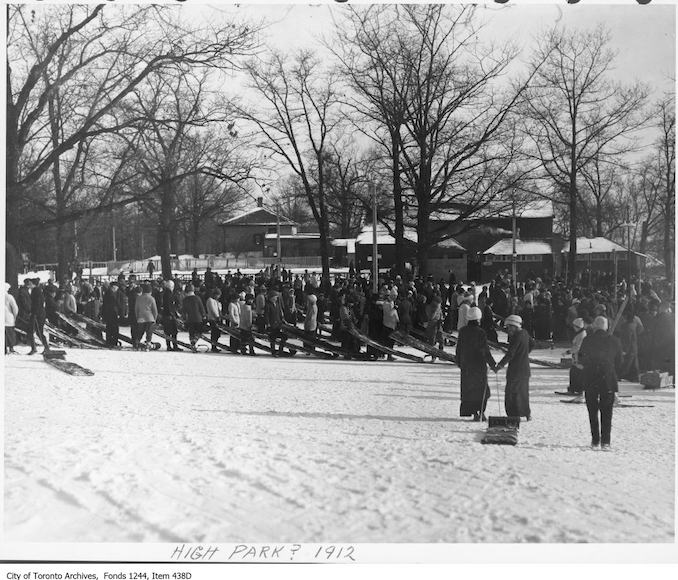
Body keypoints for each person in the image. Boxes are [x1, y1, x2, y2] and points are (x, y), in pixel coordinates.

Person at [579, 316, 623, 449]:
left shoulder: (587, 340)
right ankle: (606, 441)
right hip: (608, 378)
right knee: (607, 411)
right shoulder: (615, 341)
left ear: (595, 326)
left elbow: (581, 358)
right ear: (607, 327)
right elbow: (620, 361)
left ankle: (595, 440)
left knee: (592, 411)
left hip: (590, 378)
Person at [456, 307, 495, 421]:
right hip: (479, 366)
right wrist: (493, 364)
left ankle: (474, 413)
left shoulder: (462, 331)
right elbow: (485, 350)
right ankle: (481, 412)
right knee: (482, 391)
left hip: (467, 366)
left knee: (469, 391)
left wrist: (459, 362)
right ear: (478, 319)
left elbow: (459, 349)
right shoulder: (480, 332)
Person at [494, 314, 533, 420]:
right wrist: (524, 353)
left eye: (509, 327)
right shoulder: (525, 333)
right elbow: (532, 344)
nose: (508, 329)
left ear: (514, 326)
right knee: (523, 392)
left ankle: (513, 415)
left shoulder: (516, 337)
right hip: (525, 369)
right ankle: (526, 413)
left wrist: (500, 365)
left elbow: (510, 353)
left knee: (512, 393)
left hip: (516, 370)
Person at [182, 283, 205, 351]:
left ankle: (193, 344)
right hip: (198, 318)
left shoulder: (185, 299)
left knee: (191, 333)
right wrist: (204, 315)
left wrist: (184, 319)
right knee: (199, 332)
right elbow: (201, 308)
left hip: (189, 319)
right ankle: (195, 340)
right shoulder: (197, 298)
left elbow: (184, 310)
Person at [134, 284, 158, 350]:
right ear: (150, 291)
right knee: (149, 333)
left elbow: (136, 309)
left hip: (141, 318)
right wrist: (155, 319)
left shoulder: (138, 298)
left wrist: (137, 317)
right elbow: (154, 310)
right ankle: (148, 344)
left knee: (140, 332)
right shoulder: (151, 298)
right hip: (150, 318)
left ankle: (137, 343)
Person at [568, 318, 587, 396]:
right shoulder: (580, 333)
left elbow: (577, 347)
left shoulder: (581, 335)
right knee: (574, 372)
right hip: (577, 356)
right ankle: (574, 388)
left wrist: (568, 352)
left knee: (576, 372)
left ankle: (577, 389)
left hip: (579, 357)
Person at [206, 288, 223, 352]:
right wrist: (217, 316)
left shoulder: (215, 301)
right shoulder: (210, 300)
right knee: (214, 333)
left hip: (216, 318)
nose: (219, 297)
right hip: (213, 319)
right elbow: (213, 310)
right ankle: (213, 346)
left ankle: (215, 345)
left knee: (217, 333)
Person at [5, 283, 19, 354]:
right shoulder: (9, 297)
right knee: (10, 334)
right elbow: (15, 308)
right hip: (9, 318)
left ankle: (4, 349)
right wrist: (15, 316)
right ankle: (11, 347)